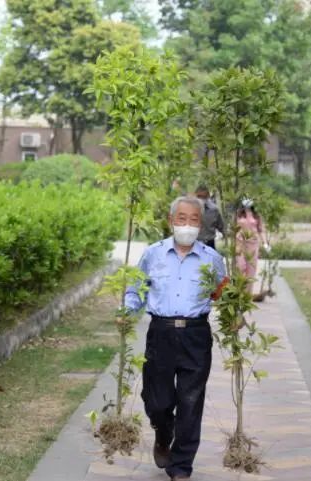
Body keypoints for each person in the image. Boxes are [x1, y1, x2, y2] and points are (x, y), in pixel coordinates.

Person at [125, 196, 227, 481]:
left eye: (194, 220)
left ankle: (181, 466)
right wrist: (126, 310)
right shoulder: (153, 254)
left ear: (201, 224)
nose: (187, 225)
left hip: (196, 334)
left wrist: (234, 315)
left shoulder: (212, 259)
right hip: (161, 332)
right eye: (181, 219)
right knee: (157, 401)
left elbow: (224, 293)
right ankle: (163, 429)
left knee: (190, 401)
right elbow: (136, 289)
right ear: (171, 221)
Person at [235, 198, 269, 291]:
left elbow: (261, 230)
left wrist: (265, 243)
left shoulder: (256, 215)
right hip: (240, 243)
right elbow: (233, 227)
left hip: (253, 244)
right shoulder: (238, 214)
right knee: (240, 267)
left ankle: (247, 295)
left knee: (251, 270)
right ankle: (239, 291)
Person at [194, 185, 225, 250]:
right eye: (199, 196)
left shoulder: (214, 210)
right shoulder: (190, 209)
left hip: (209, 244)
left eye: (204, 197)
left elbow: (221, 227)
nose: (201, 199)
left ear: (208, 196)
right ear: (195, 196)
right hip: (194, 244)